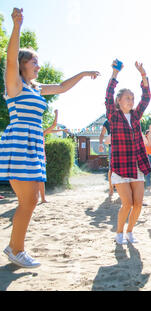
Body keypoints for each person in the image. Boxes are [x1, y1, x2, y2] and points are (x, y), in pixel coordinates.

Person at [1, 8, 99, 268]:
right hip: (21, 143)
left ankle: (15, 247)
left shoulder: (35, 88)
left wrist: (83, 73)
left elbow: (63, 87)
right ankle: (15, 248)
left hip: (33, 144)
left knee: (31, 200)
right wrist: (17, 25)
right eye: (34, 62)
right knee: (29, 200)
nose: (38, 65)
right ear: (23, 65)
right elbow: (10, 60)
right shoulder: (15, 84)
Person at [106, 60, 151, 244]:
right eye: (128, 98)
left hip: (137, 165)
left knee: (138, 204)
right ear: (119, 101)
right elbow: (108, 95)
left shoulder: (136, 115)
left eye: (132, 98)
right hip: (120, 167)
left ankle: (130, 232)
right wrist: (115, 74)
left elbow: (146, 97)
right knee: (127, 203)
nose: (131, 101)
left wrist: (143, 74)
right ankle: (119, 233)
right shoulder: (113, 115)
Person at [99, 119, 114, 197]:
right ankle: (111, 188)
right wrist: (101, 144)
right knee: (111, 169)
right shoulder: (107, 122)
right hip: (113, 147)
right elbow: (102, 134)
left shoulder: (123, 116)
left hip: (124, 146)